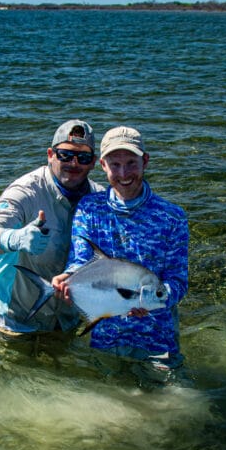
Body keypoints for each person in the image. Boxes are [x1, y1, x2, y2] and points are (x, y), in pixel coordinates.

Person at [53, 126, 189, 371]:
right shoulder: (89, 208)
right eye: (115, 165)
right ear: (102, 165)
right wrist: (68, 278)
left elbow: (179, 281)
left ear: (145, 161)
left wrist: (150, 299)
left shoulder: (172, 216)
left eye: (131, 163)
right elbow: (81, 260)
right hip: (103, 337)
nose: (124, 173)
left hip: (157, 340)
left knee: (176, 407)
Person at [0, 119, 104, 336]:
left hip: (65, 320)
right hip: (13, 321)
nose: (74, 163)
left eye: (83, 157)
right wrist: (13, 238)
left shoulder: (99, 198)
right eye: (65, 154)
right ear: (50, 155)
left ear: (93, 162)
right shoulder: (26, 191)